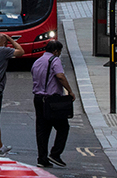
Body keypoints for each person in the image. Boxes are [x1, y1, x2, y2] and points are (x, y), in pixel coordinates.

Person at [31, 39, 73, 168]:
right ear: (55, 51)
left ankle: (42, 158)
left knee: (42, 129)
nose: (59, 54)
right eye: (59, 51)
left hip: (38, 98)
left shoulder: (37, 61)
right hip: (51, 100)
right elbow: (60, 76)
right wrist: (70, 91)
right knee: (63, 127)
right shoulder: (54, 60)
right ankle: (55, 154)